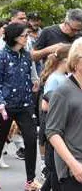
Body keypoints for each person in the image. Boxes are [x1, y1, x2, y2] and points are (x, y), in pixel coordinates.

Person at [0, 23, 41, 190]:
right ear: (16, 37)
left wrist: (35, 81)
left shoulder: (26, 56)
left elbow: (32, 75)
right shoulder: (0, 57)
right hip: (6, 106)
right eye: (25, 35)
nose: (28, 38)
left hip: (25, 105)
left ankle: (30, 181)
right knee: (0, 140)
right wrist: (0, 103)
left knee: (31, 140)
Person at [46, 38, 82, 191]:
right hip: (73, 171)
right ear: (76, 61)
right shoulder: (63, 91)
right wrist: (74, 165)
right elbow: (53, 132)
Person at [40, 44, 70, 191]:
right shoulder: (54, 79)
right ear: (66, 60)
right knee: (54, 170)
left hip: (64, 125)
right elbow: (45, 105)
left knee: (55, 173)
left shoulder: (66, 77)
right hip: (53, 124)